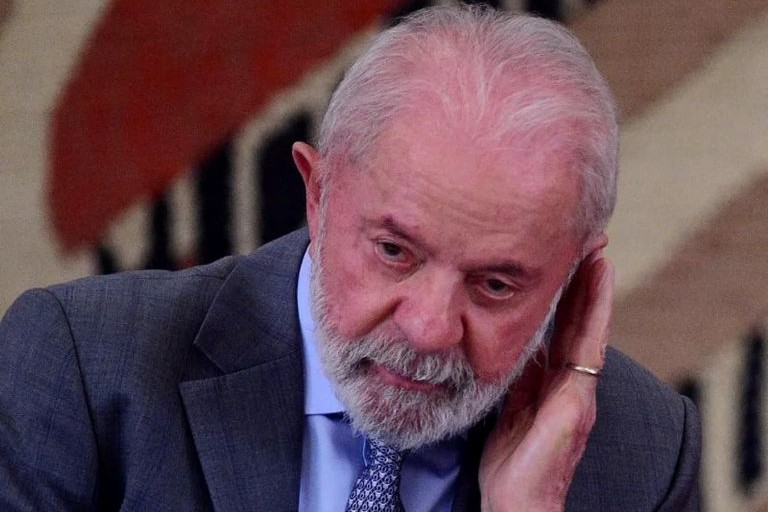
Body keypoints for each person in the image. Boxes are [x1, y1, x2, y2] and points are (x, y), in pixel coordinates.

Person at [0, 5, 700, 511]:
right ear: (317, 192)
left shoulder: (644, 455)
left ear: (576, 274)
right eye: (394, 251)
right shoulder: (85, 365)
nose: (429, 329)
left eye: (494, 285)